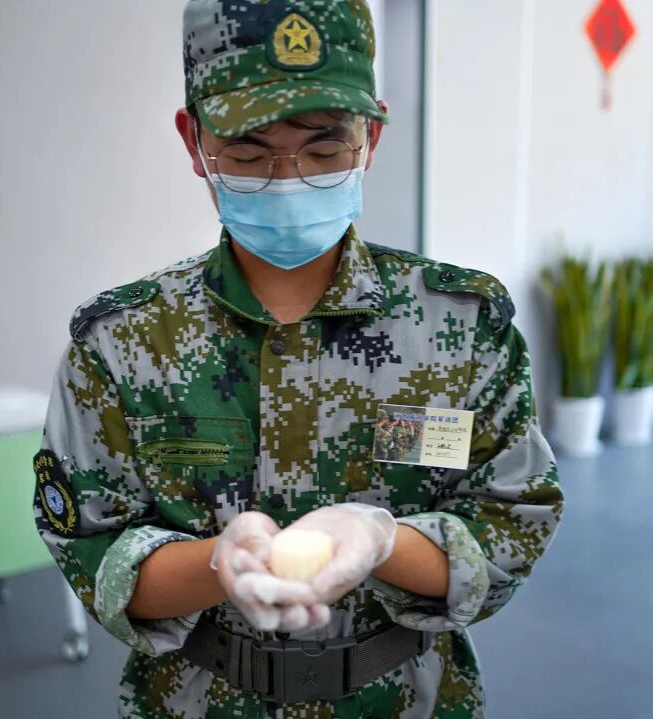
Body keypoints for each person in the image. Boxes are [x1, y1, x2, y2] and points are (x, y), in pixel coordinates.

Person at [32, 1, 565, 717]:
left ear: (371, 137)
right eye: (248, 154)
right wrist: (219, 562)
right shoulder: (124, 343)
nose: (287, 179)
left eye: (323, 149)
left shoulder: (461, 327)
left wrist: (381, 541)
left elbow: (510, 519)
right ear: (194, 141)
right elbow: (93, 547)